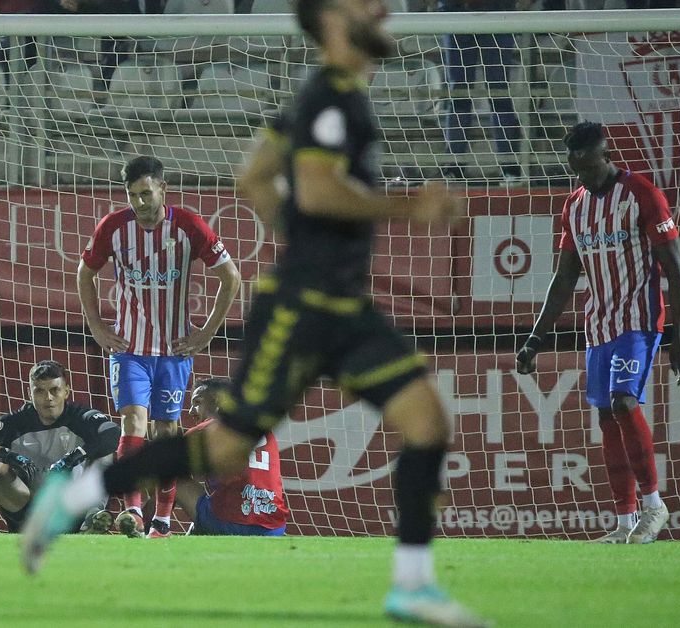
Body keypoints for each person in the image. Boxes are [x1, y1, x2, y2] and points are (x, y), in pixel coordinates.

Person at [24, 1, 487, 625]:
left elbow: (256, 177)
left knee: (427, 421)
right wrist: (412, 207)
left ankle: (411, 585)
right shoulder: (331, 97)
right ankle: (77, 494)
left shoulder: (317, 98)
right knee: (221, 452)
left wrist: (306, 239)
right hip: (299, 309)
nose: (382, 7)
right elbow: (317, 189)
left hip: (342, 306)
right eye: (364, 2)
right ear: (330, 19)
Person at [516, 121, 680, 545]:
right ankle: (624, 522)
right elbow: (563, 280)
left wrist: (679, 337)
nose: (583, 166)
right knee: (606, 418)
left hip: (639, 319)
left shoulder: (642, 194)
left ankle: (654, 505)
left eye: (590, 158)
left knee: (623, 401)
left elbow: (675, 268)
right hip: (598, 326)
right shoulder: (574, 206)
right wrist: (535, 339)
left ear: (603, 154)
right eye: (576, 160)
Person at [78, 155, 241, 538]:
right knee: (134, 422)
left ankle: (163, 521)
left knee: (166, 431)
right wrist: (98, 327)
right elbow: (85, 273)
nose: (139, 203)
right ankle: (133, 511)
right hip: (129, 347)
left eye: (146, 193)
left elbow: (230, 277)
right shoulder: (114, 228)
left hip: (174, 349)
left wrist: (207, 333)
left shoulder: (188, 225)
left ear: (162, 189)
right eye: (133, 195)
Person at [0, 360, 121, 534]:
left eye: (54, 390)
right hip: (26, 511)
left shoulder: (80, 417)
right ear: (29, 393)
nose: (48, 398)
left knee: (104, 454)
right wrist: (7, 455)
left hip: (72, 510)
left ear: (66, 391)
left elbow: (113, 433)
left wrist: (75, 456)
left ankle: (93, 518)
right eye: (39, 391)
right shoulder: (18, 421)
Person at [427, 0, 528, 184]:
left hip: (498, 12)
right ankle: (453, 168)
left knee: (499, 93)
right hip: (456, 12)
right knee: (458, 94)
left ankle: (510, 169)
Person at [175, 378, 287, 537]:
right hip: (274, 528)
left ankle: (151, 524)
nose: (191, 411)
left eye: (197, 402)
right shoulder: (263, 430)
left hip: (229, 523)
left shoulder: (205, 431)